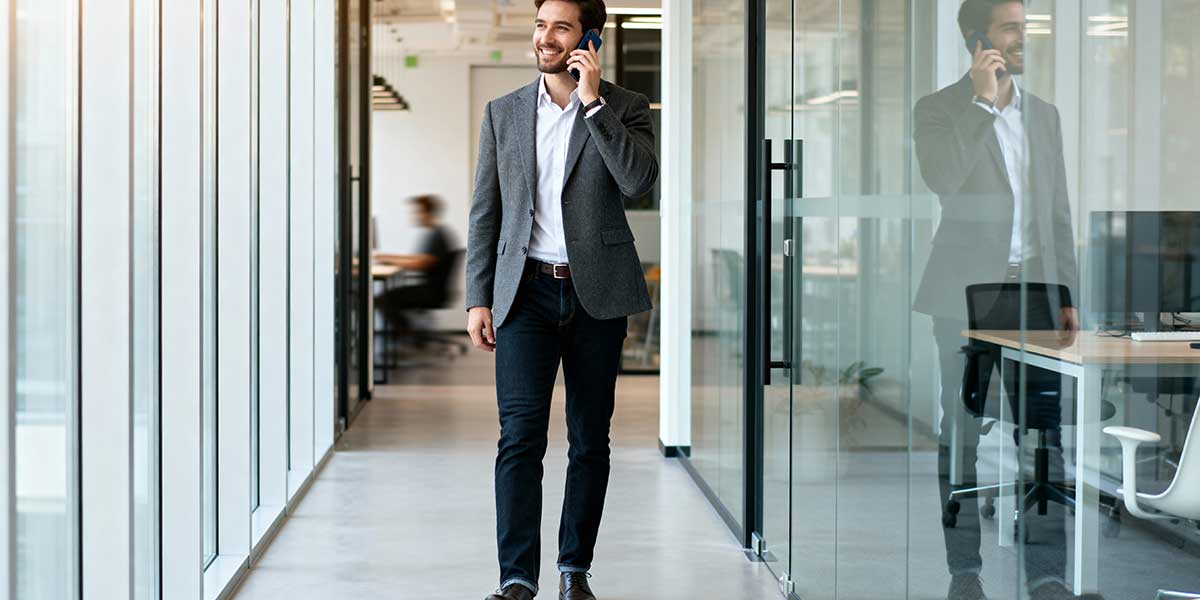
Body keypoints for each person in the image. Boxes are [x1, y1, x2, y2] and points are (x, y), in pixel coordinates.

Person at [463, 0, 657, 597]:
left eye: (561, 28)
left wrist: (594, 102)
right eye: (541, 25)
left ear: (589, 38)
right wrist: (477, 296)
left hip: (597, 294)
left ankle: (575, 570)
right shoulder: (504, 113)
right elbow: (485, 211)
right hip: (524, 295)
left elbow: (639, 182)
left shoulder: (625, 107)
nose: (546, 37)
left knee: (588, 438)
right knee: (519, 437)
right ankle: (517, 579)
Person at [912, 1, 1094, 599]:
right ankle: (964, 569)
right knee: (963, 429)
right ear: (978, 41)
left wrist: (1066, 290)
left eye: (1024, 26)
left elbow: (1057, 212)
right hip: (965, 296)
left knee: (1044, 436)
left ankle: (1047, 575)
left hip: (1036, 296)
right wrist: (984, 104)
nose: (1023, 37)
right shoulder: (939, 110)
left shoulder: (1045, 116)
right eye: (1011, 27)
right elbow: (944, 176)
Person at [375, 194, 456, 335]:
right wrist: (387, 257)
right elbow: (418, 258)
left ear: (427, 213)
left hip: (431, 292)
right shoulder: (435, 233)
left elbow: (421, 263)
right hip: (433, 289)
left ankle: (407, 334)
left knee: (383, 299)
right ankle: (408, 334)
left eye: (417, 211)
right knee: (386, 297)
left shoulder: (438, 236)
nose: (415, 215)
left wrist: (389, 260)